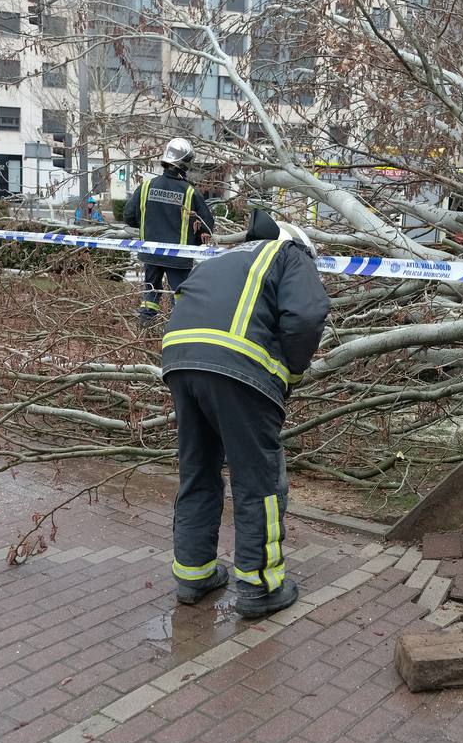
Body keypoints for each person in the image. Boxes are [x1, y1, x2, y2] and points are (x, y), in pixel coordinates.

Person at [161, 209, 330, 618]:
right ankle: (261, 587)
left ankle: (194, 574)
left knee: (198, 471)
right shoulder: (291, 253)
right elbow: (307, 315)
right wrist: (290, 370)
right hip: (239, 368)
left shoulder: (225, 257)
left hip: (180, 361)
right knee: (259, 482)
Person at [122, 138, 216, 324]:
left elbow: (129, 217)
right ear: (185, 164)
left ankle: (145, 330)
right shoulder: (190, 192)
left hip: (150, 253)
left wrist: (149, 225)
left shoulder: (147, 186)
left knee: (150, 294)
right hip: (179, 258)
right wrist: (193, 241)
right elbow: (206, 227)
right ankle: (177, 332)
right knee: (179, 300)